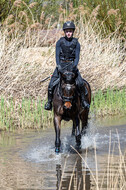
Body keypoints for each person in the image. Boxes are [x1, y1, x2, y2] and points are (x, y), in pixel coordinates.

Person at [44, 21, 90, 110]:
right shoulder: (59, 42)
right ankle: (49, 103)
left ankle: (84, 101)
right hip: (61, 65)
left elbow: (77, 57)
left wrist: (75, 66)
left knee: (80, 83)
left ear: (73, 32)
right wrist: (58, 66)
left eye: (70, 31)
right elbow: (57, 55)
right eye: (67, 31)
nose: (69, 33)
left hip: (72, 66)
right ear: (65, 32)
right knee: (51, 85)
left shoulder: (77, 43)